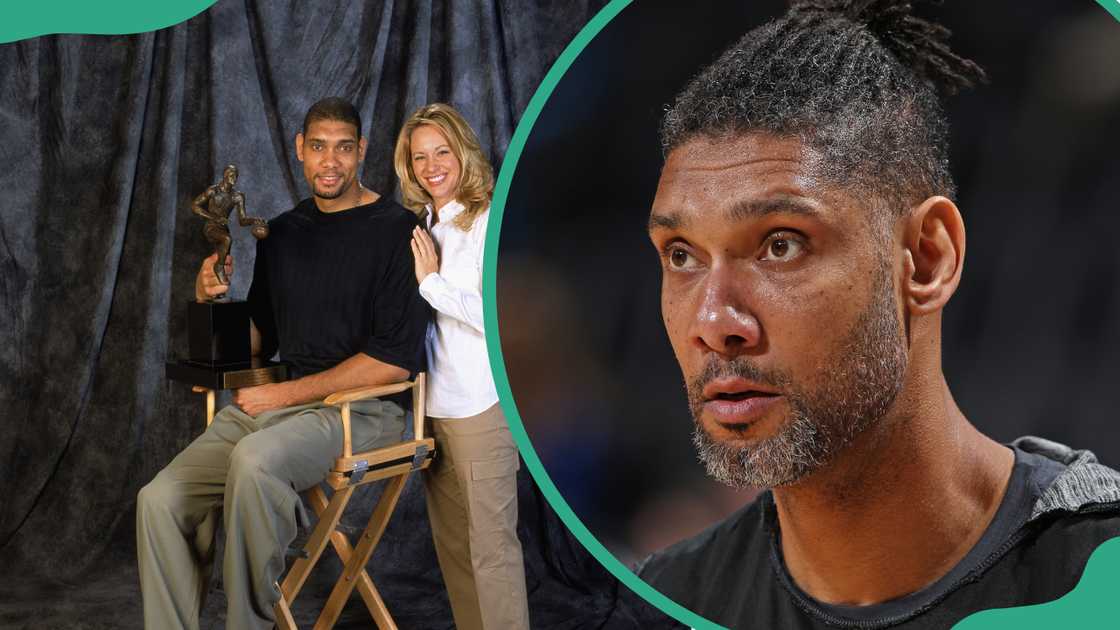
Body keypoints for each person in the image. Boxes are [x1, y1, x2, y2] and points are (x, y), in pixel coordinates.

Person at [635, 1, 1120, 628]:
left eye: (781, 244)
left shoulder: (1100, 575)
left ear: (925, 258)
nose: (714, 321)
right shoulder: (662, 600)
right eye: (682, 255)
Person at [136, 97, 429, 630]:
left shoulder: (398, 231)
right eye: (318, 147)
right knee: (159, 500)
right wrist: (210, 301)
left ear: (362, 150)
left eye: (344, 148)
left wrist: (282, 395)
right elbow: (258, 341)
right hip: (283, 408)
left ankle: (249, 624)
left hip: (363, 413)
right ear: (300, 150)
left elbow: (392, 364)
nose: (331, 161)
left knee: (255, 460)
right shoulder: (283, 233)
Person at [393, 103, 531, 630]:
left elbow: (500, 315)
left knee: (491, 553)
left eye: (441, 151)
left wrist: (432, 284)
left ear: (462, 153)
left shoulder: (489, 217)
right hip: (436, 409)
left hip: (482, 408)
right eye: (420, 156)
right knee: (454, 552)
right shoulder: (424, 223)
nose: (432, 165)